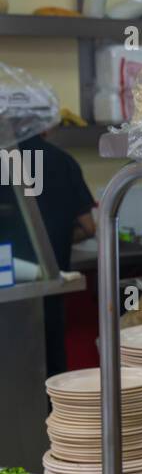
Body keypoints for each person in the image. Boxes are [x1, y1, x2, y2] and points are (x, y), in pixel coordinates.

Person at [6, 131, 95, 376]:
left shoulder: (5, 160)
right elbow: (89, 227)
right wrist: (60, 237)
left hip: (8, 289)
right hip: (52, 286)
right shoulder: (63, 161)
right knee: (52, 369)